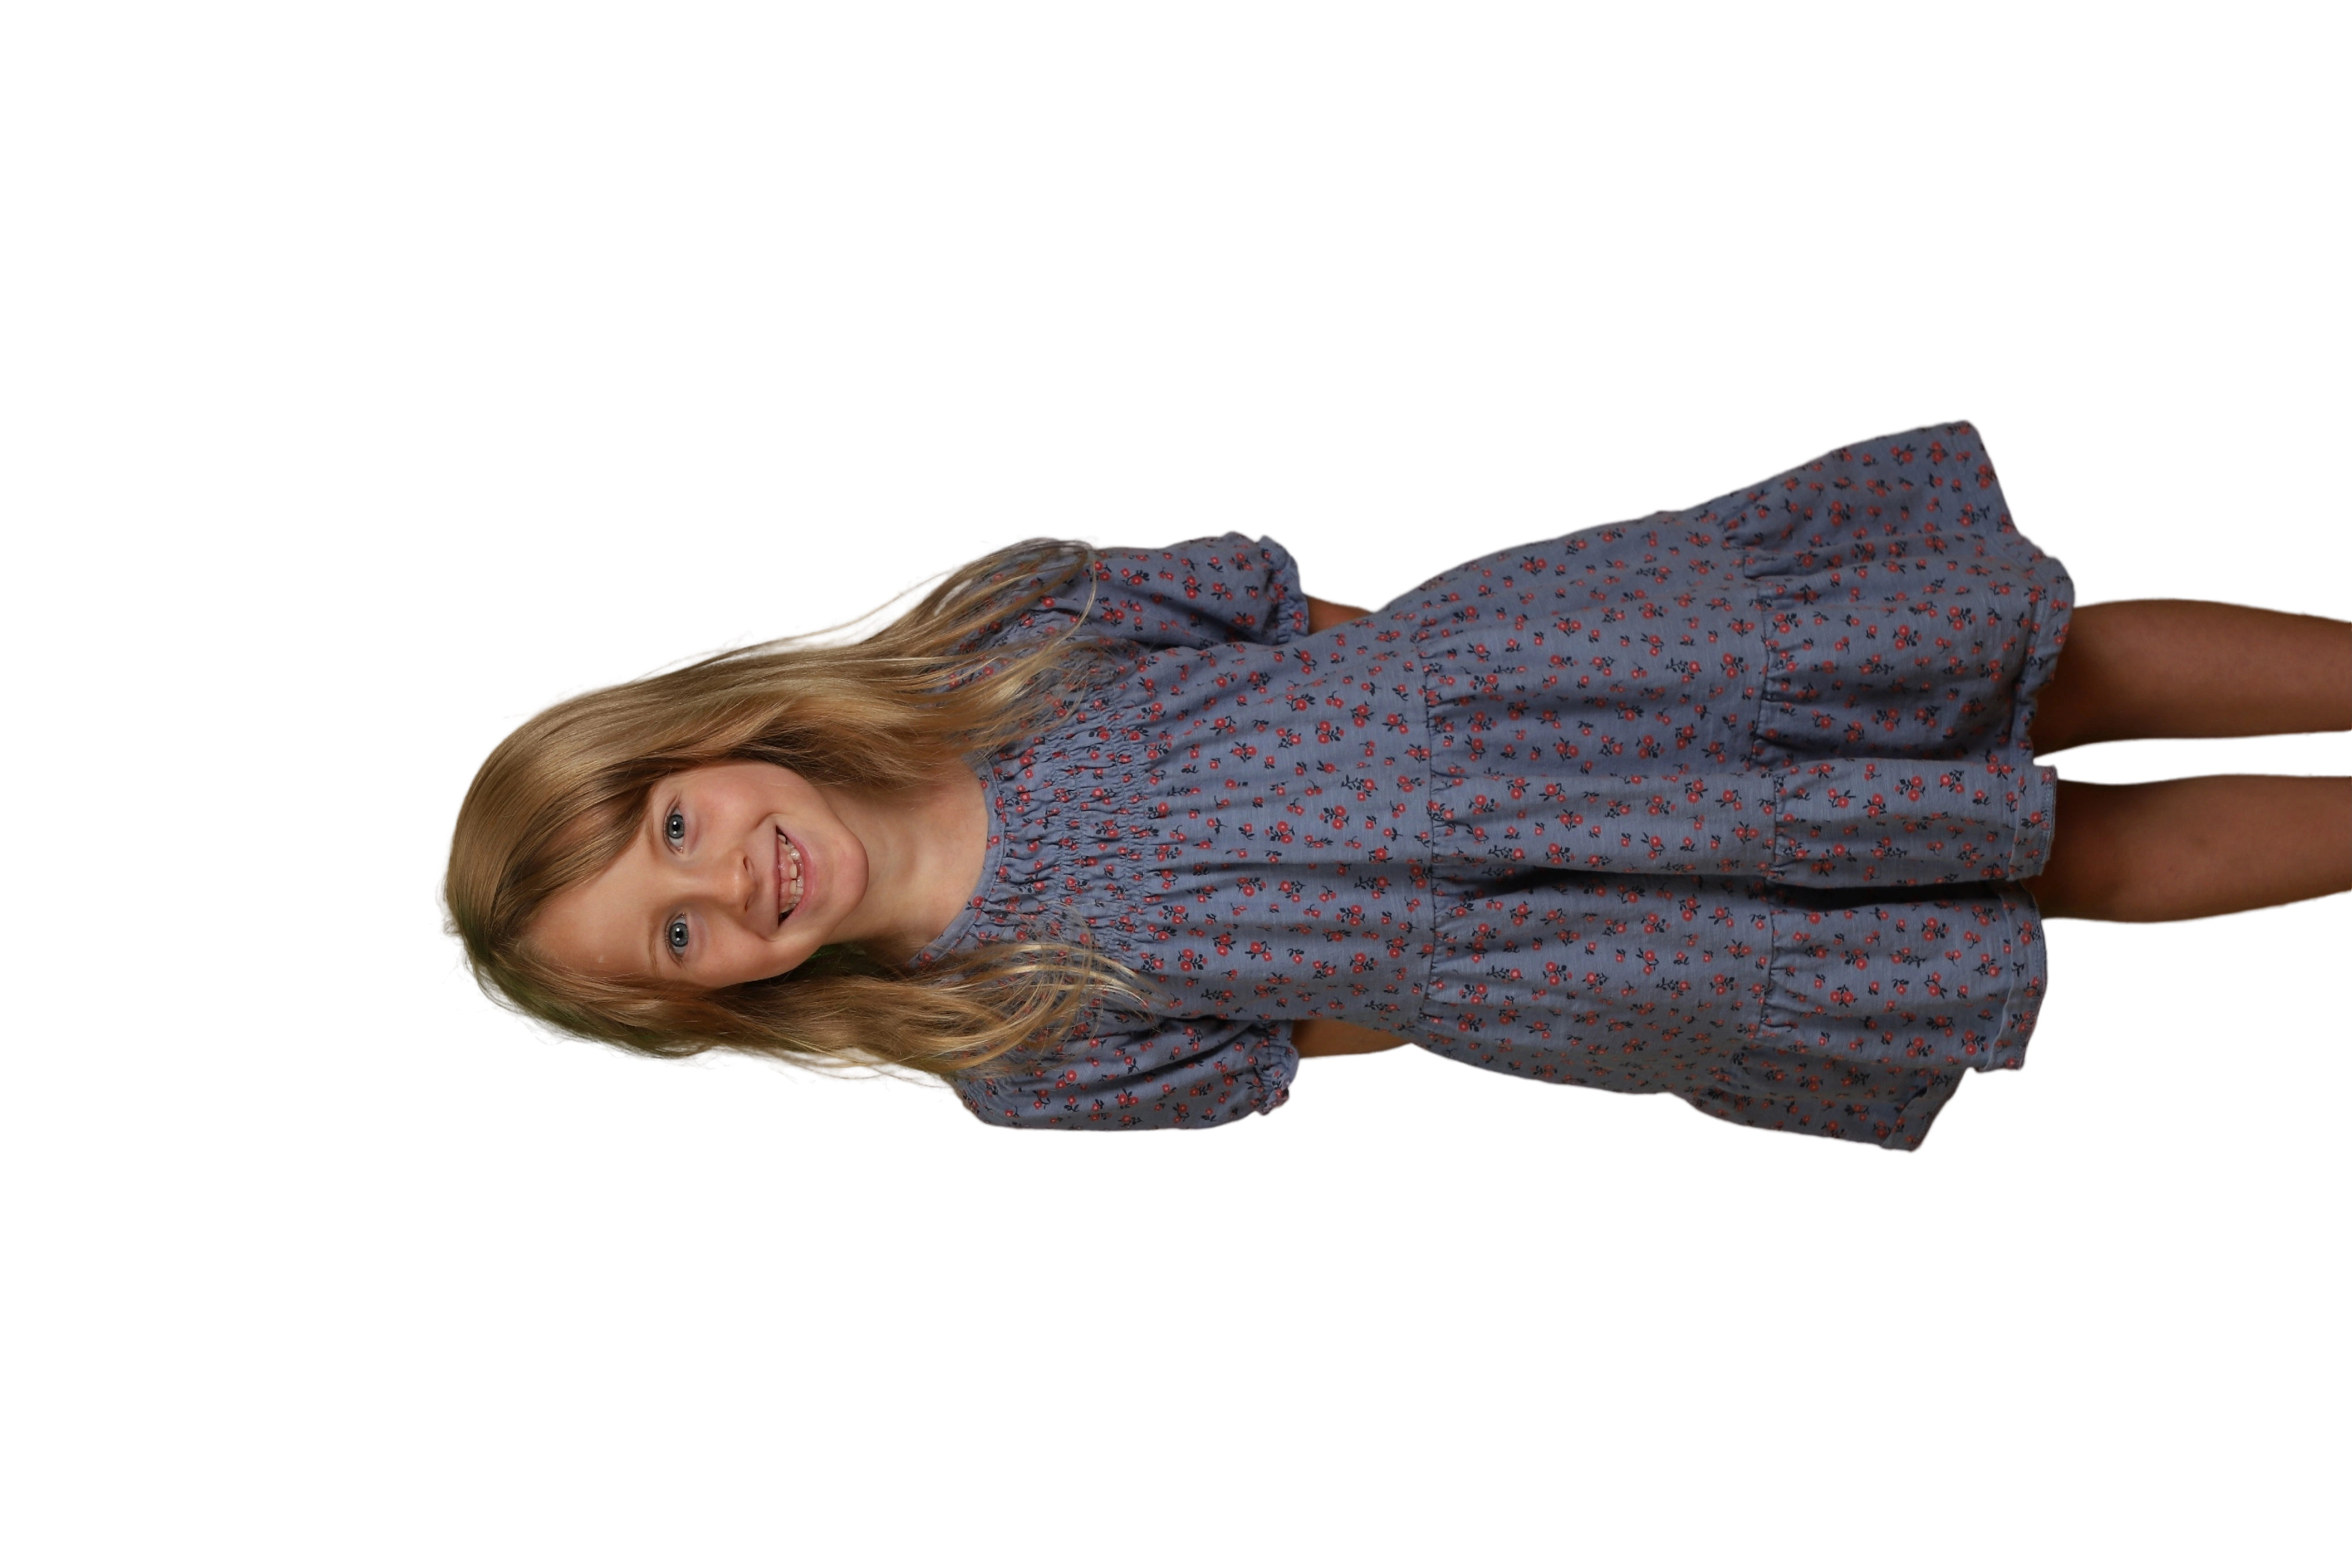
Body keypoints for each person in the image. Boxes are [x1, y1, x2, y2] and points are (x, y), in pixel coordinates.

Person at [431, 416, 2352, 1152]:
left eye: (673, 832)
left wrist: (1514, 679)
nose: (729, 882)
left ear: (704, 735)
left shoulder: (982, 636)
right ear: (725, 1004)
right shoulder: (1001, 1045)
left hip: (1560, 680)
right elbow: (1305, 1040)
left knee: (2042, 657)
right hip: (1564, 943)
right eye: (678, 938)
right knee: (2056, 870)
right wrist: (1497, 939)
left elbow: (1292, 614)